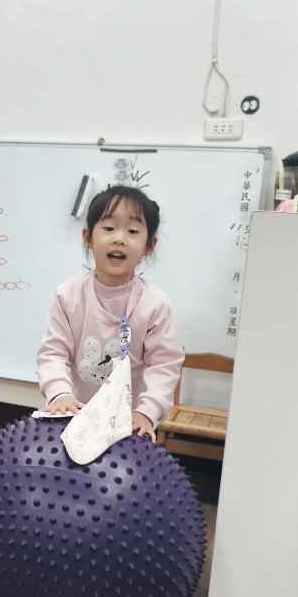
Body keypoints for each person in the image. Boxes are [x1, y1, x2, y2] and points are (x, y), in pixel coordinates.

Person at [37, 184, 184, 440]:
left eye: (133, 231)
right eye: (108, 228)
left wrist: (146, 412)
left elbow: (164, 365)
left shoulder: (155, 304)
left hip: (129, 426)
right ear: (88, 238)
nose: (119, 238)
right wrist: (60, 394)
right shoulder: (67, 295)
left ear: (149, 245)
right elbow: (53, 353)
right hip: (75, 416)